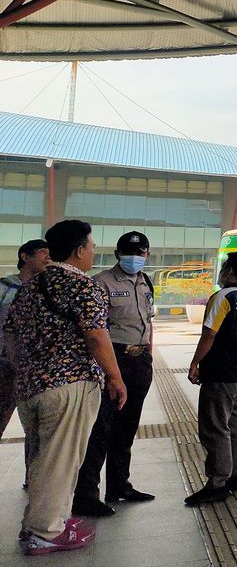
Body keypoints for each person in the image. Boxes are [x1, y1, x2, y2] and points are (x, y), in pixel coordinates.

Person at [3, 220, 127, 555]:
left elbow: (10, 335)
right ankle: (46, 532)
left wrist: (27, 369)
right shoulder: (82, 286)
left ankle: (45, 521)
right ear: (79, 250)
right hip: (68, 385)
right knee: (60, 459)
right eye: (91, 245)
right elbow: (96, 335)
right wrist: (115, 377)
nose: (93, 251)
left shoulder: (30, 285)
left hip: (30, 387)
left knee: (43, 459)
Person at [73, 231, 157, 517]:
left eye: (140, 252)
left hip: (140, 360)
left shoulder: (146, 282)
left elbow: (148, 322)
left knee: (127, 427)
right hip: (114, 361)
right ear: (118, 255)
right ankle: (86, 494)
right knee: (101, 429)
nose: (135, 257)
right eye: (129, 252)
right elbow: (94, 330)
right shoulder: (101, 283)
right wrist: (108, 371)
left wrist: (149, 354)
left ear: (146, 254)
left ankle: (120, 485)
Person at [185, 252, 237, 506]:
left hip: (220, 374)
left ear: (229, 270)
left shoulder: (222, 297)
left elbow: (209, 334)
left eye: (224, 266)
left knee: (215, 427)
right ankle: (234, 475)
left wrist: (196, 362)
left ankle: (217, 482)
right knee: (233, 424)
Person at [0, 239, 50, 447]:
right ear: (25, 256)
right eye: (42, 252)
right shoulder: (5, 287)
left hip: (36, 372)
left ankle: (33, 480)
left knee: (37, 434)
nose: (48, 256)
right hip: (4, 367)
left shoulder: (48, 290)